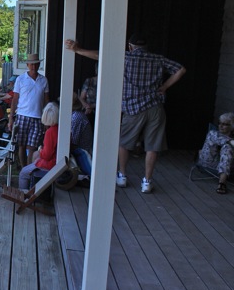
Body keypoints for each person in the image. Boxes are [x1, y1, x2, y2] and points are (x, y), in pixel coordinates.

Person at [66, 33, 186, 193]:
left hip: (133, 108)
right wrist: (164, 87)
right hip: (155, 108)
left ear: (130, 47)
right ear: (146, 47)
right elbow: (181, 69)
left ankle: (122, 176)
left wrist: (77, 49)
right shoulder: (158, 59)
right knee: (152, 146)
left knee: (124, 143)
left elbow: (99, 55)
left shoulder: (126, 57)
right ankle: (147, 181)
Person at [9, 53, 50, 166]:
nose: (33, 67)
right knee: (21, 145)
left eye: (35, 64)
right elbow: (15, 99)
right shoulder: (21, 79)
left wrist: (47, 119)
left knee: (33, 146)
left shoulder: (43, 80)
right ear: (27, 65)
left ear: (39, 64)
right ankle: (23, 169)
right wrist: (11, 118)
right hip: (22, 115)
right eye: (31, 64)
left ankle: (29, 170)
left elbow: (46, 101)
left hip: (38, 117)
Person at [18, 102, 59, 190]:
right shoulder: (59, 128)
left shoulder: (50, 132)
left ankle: (24, 195)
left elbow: (47, 155)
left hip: (51, 164)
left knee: (23, 173)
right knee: (35, 158)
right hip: (57, 162)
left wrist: (41, 150)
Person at [198, 112, 234, 194]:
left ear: (232, 127)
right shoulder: (213, 134)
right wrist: (230, 142)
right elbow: (220, 139)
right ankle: (222, 183)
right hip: (210, 162)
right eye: (219, 123)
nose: (220, 126)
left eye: (225, 124)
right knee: (227, 146)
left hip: (229, 166)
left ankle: (222, 182)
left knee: (227, 148)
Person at [80, 62, 98, 128]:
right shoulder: (89, 81)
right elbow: (81, 97)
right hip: (89, 111)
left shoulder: (107, 82)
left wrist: (92, 106)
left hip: (101, 111)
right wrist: (87, 106)